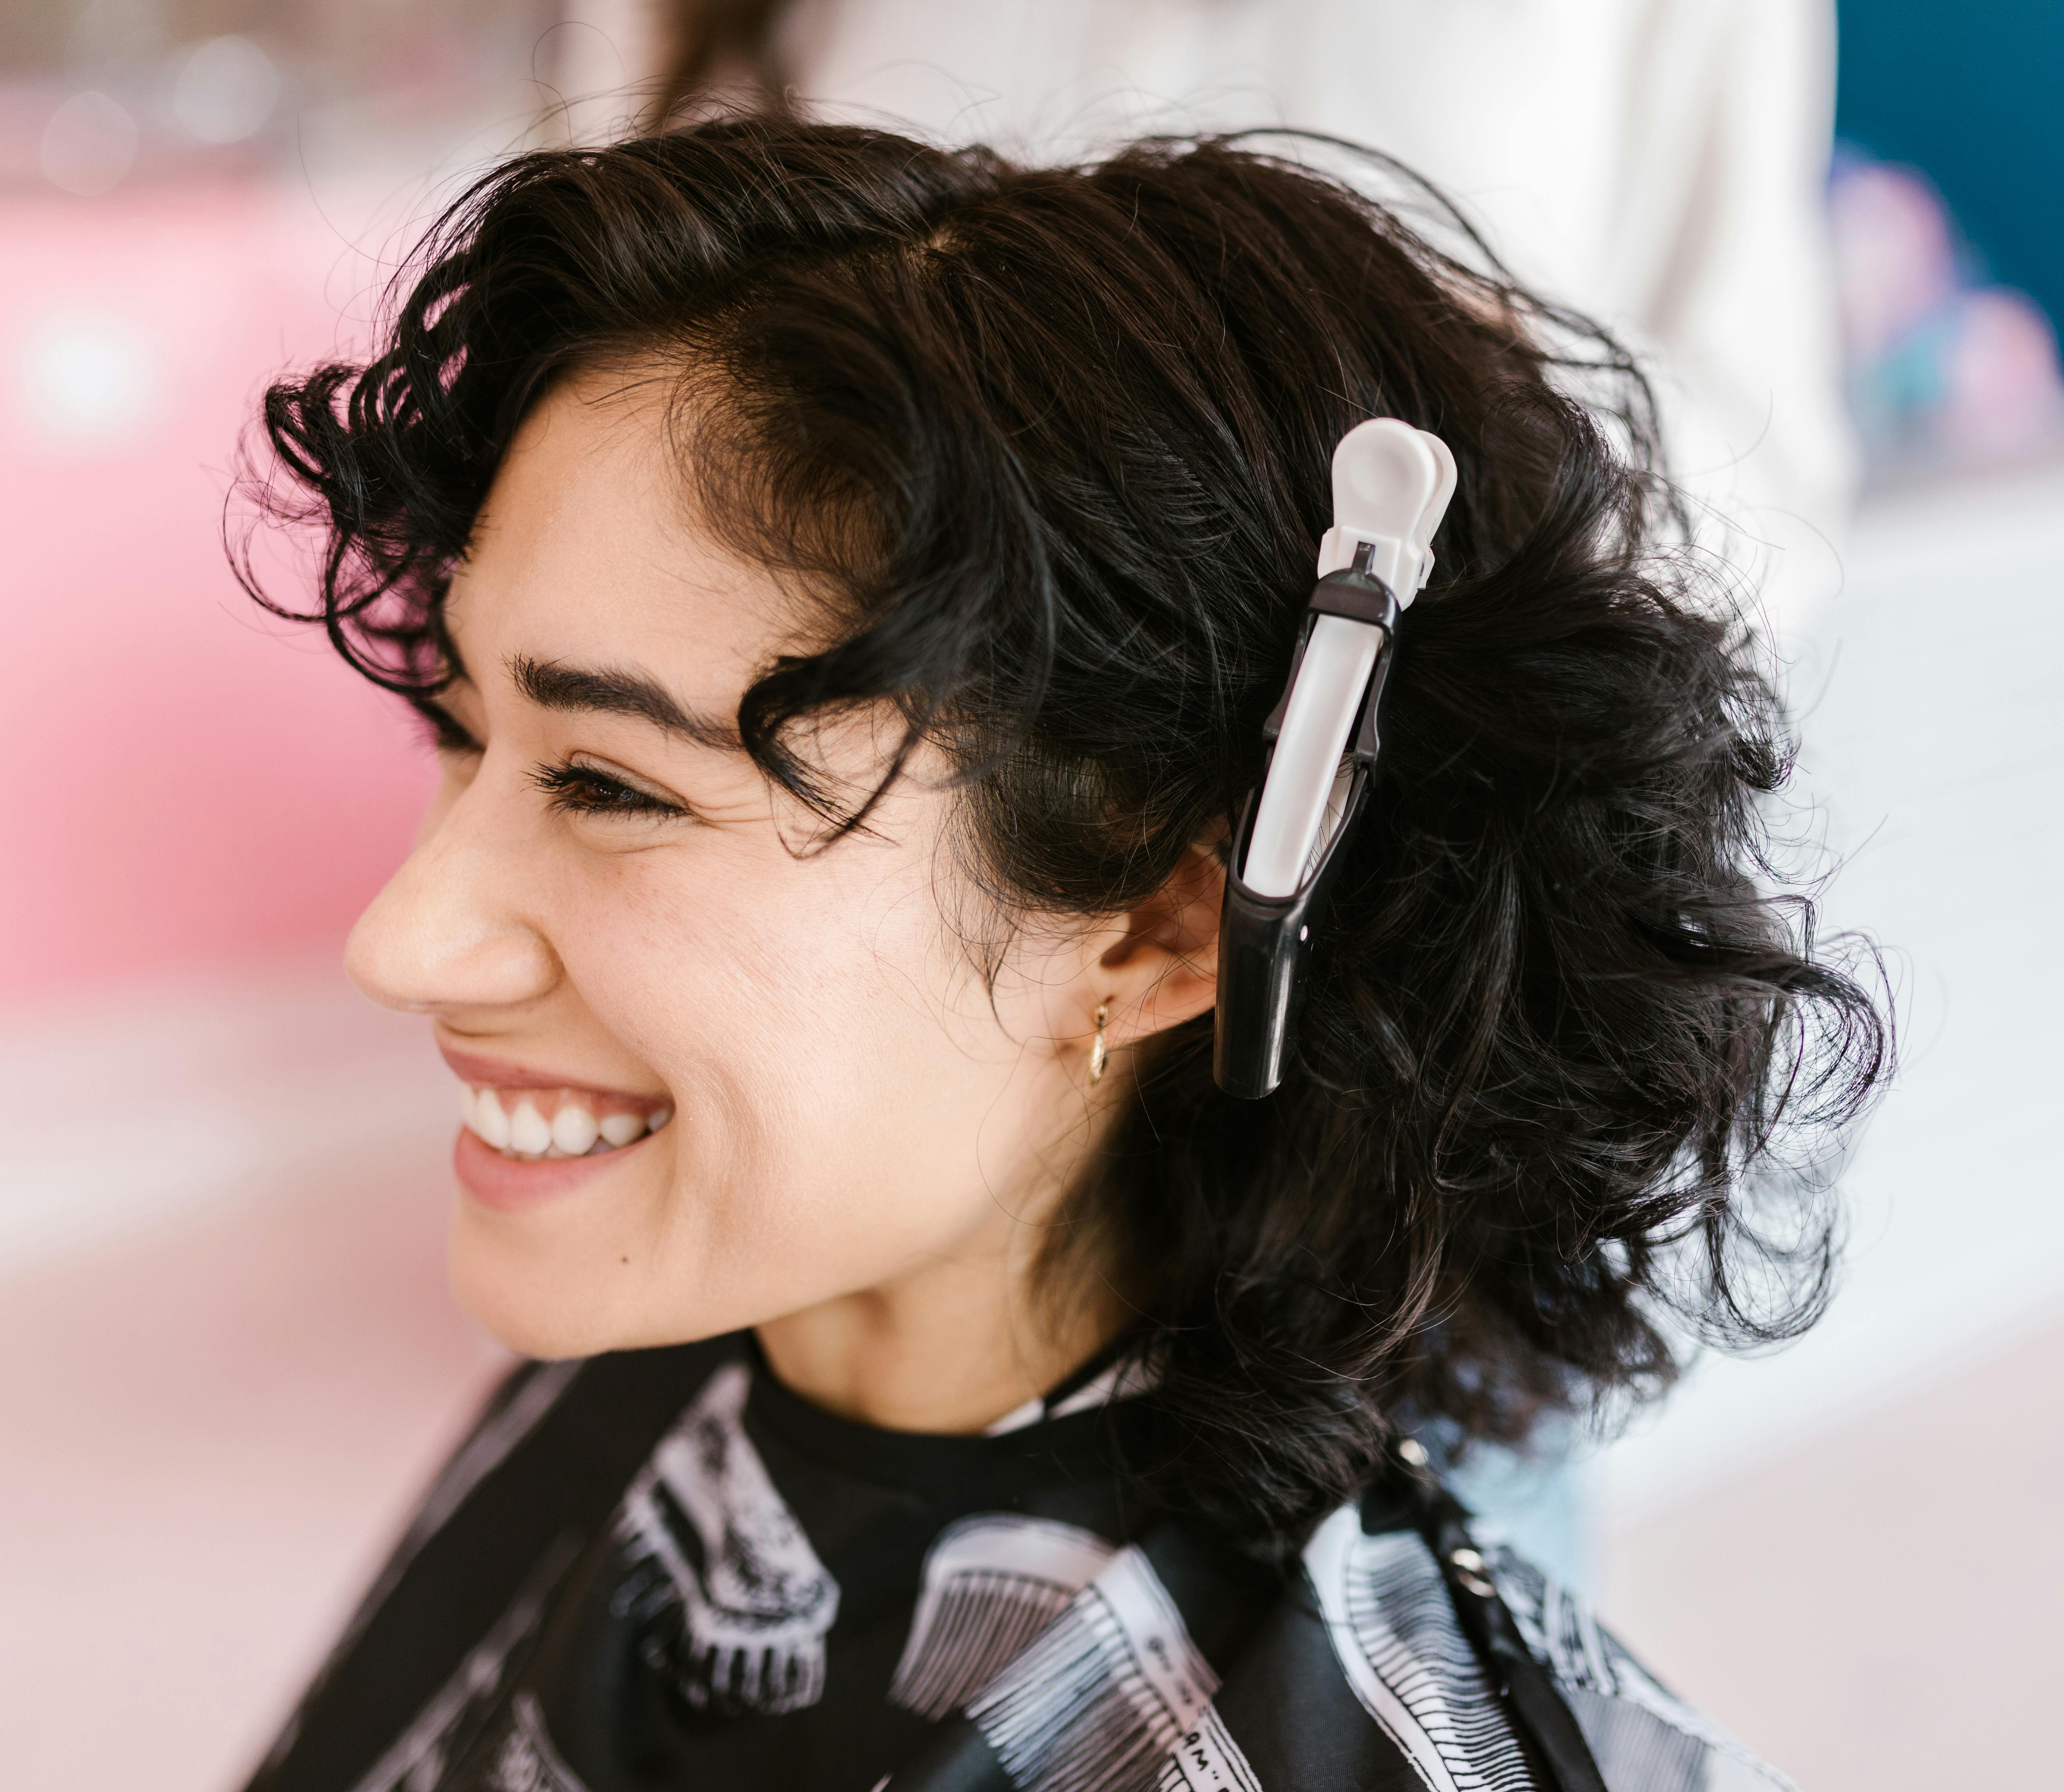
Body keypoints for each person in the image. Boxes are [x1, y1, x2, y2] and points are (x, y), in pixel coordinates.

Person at [235, 112, 1881, 1792]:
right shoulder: (640, 1385)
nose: (402, 938)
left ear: (1168, 923)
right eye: (462, 734)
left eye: (608, 781)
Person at [570, 0, 1853, 638]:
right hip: (873, 802)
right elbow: (595, 365)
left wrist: (1490, 393)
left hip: (1393, 862)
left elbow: (1767, 506)